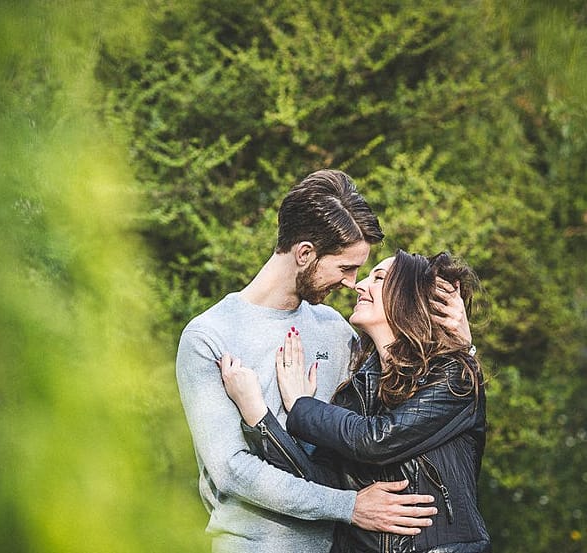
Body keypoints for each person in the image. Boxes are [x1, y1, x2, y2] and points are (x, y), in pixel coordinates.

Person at [175, 170, 470, 553]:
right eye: (346, 268)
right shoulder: (209, 336)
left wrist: (462, 348)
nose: (352, 283)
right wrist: (349, 507)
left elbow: (403, 407)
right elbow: (233, 471)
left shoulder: (336, 329)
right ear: (305, 254)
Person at [222, 251, 490, 552]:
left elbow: (375, 439)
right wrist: (259, 417)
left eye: (378, 278)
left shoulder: (456, 377)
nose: (360, 284)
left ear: (408, 297)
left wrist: (300, 404)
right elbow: (316, 481)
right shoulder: (355, 390)